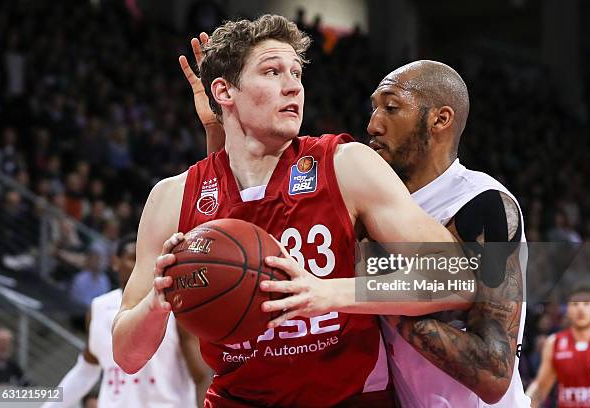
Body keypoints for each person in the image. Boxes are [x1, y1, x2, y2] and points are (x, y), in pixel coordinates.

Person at [113, 15, 476, 407]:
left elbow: (460, 279)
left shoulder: (345, 165)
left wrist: (326, 292)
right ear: (224, 91)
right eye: (272, 71)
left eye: (297, 74)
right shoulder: (173, 197)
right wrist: (157, 301)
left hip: (349, 400)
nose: (293, 87)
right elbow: (127, 356)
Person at [184, 35, 529, 406]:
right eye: (374, 108)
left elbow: (493, 373)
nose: (373, 124)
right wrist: (226, 124)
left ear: (439, 120)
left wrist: (348, 293)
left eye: (391, 108)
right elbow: (248, 228)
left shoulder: (483, 205)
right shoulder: (370, 194)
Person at [42, 234, 209, 408]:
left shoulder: (174, 305)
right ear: (115, 262)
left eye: (149, 258)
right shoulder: (99, 307)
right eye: (133, 258)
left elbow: (202, 376)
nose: (142, 265)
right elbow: (86, 369)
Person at [526, 284, 590, 407]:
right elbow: (540, 388)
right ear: (567, 309)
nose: (580, 309)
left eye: (586, 304)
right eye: (575, 304)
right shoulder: (554, 343)